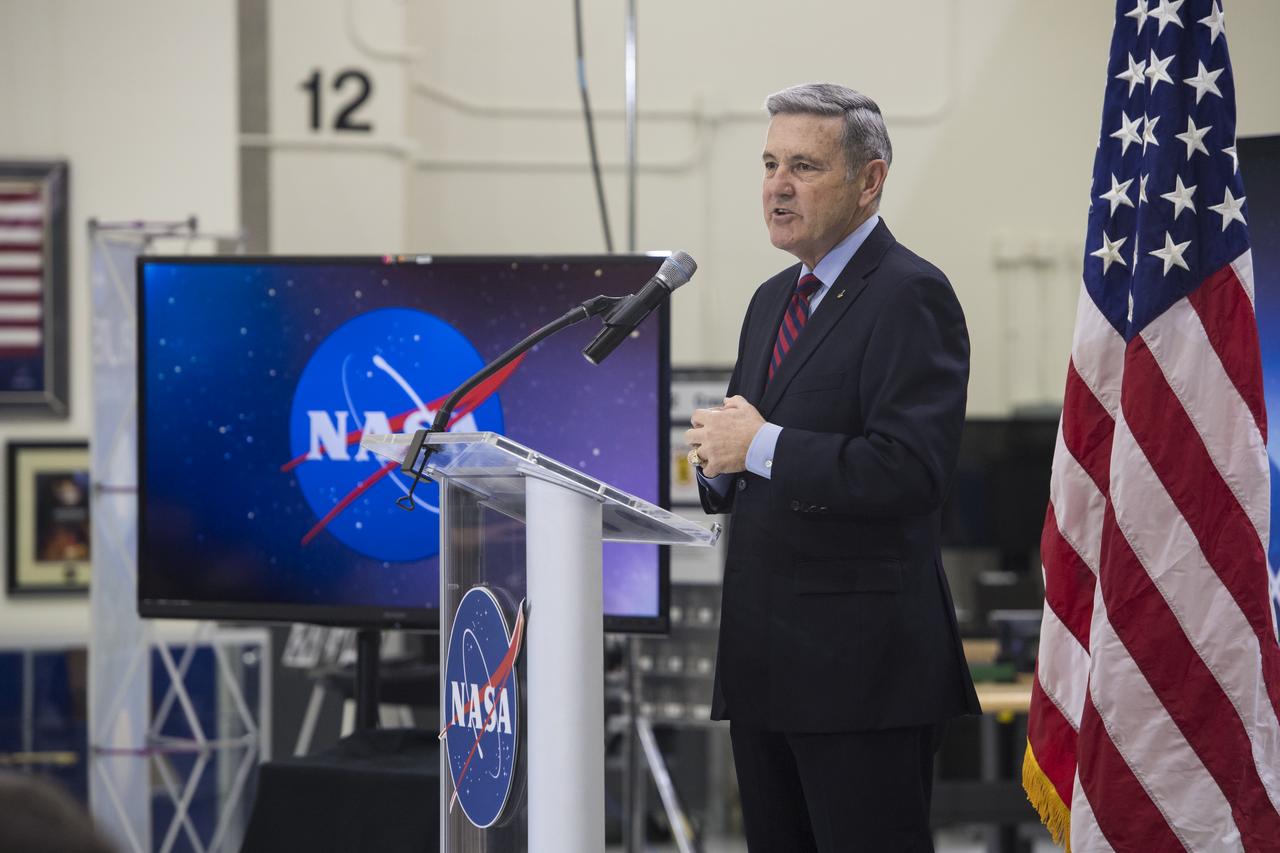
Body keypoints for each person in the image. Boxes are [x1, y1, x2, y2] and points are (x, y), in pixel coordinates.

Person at [686, 82, 980, 852]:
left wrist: (758, 446)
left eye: (805, 167)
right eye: (770, 164)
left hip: (863, 677)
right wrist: (717, 466)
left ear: (870, 179)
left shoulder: (911, 294)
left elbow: (911, 470)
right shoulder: (770, 299)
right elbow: (749, 449)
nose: (777, 187)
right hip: (763, 666)